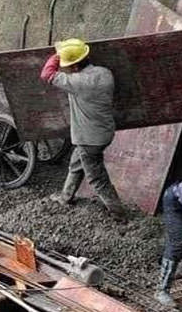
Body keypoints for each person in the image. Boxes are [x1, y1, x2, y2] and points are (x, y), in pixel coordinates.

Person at [40, 38, 127, 221]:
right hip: (104, 132)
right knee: (76, 162)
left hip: (89, 139)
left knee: (97, 178)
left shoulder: (77, 82)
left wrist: (58, 53)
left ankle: (118, 213)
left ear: (73, 66)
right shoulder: (105, 73)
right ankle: (66, 197)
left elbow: (47, 74)